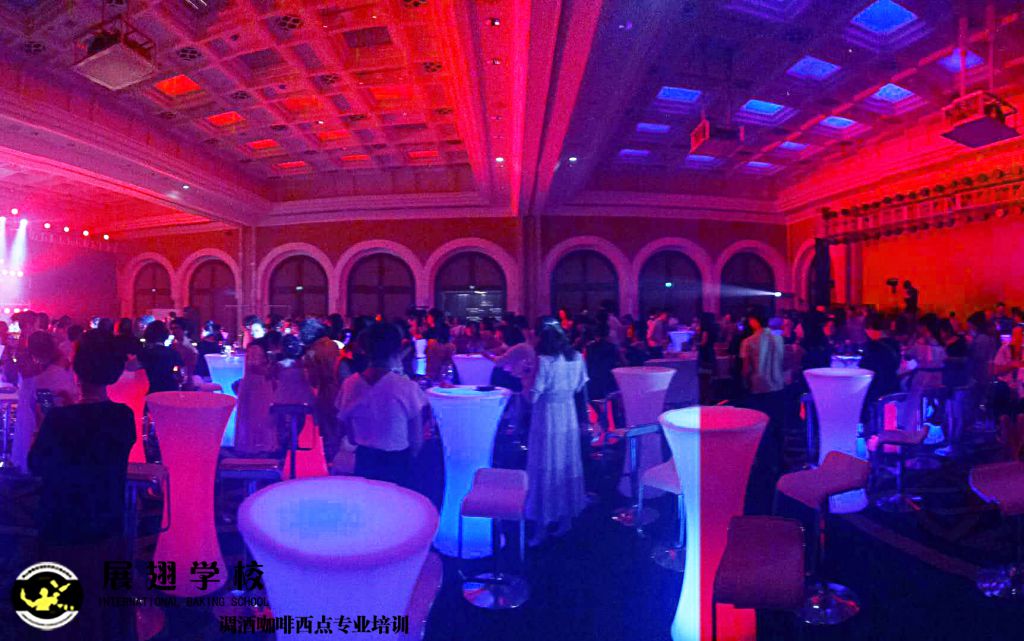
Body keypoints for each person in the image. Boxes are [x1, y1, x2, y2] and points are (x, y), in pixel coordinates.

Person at [27, 330, 136, 639]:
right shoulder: (123, 417)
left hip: (62, 526)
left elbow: (37, 464)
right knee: (102, 612)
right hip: (106, 524)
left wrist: (47, 420)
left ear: (77, 368)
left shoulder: (58, 420)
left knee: (60, 613)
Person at [335, 322, 425, 487]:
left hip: (364, 459)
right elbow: (416, 440)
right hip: (397, 463)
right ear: (397, 350)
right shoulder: (406, 387)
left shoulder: (350, 384)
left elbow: (349, 432)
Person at [525, 319, 588, 546]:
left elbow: (532, 396)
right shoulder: (576, 357)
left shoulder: (544, 361)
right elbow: (580, 386)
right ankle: (565, 518)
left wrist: (525, 378)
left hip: (547, 418)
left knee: (546, 464)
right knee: (566, 462)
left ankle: (542, 525)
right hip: (568, 414)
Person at [235, 331, 278, 455]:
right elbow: (253, 367)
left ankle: (260, 445)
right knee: (255, 414)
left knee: (261, 414)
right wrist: (269, 370)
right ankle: (255, 445)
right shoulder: (256, 348)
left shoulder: (260, 349)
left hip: (261, 385)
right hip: (255, 385)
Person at [859, 315, 902, 422]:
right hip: (893, 384)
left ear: (869, 328)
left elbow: (865, 366)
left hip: (877, 388)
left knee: (873, 419)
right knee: (890, 421)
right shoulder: (894, 344)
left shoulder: (873, 346)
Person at [740, 306, 784, 395]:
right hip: (778, 384)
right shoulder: (779, 338)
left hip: (759, 386)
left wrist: (744, 382)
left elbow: (746, 368)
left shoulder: (748, 341)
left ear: (754, 320)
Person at [134, 321, 183, 394]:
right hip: (171, 390)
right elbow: (179, 375)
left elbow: (132, 368)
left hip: (153, 391)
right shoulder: (173, 353)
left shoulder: (144, 352)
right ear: (166, 335)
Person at [169, 318, 198, 388]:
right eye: (172, 329)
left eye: (176, 328)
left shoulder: (190, 345)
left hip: (188, 379)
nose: (173, 331)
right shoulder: (173, 344)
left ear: (184, 330)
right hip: (175, 379)